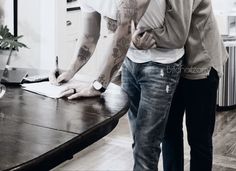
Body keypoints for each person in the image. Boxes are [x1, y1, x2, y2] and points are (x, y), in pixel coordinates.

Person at [132, 0, 228, 170]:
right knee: (170, 133)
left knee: (199, 138)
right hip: (172, 65)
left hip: (200, 64)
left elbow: (176, 35)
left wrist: (135, 36)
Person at [121, 0, 184, 170]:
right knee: (139, 141)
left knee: (146, 148)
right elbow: (116, 22)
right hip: (130, 61)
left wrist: (134, 37)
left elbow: (179, 34)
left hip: (160, 64)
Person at [49, 0, 152, 99]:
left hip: (160, 59)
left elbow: (124, 30)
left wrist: (97, 86)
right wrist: (70, 71)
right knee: (133, 114)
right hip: (130, 59)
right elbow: (89, 36)